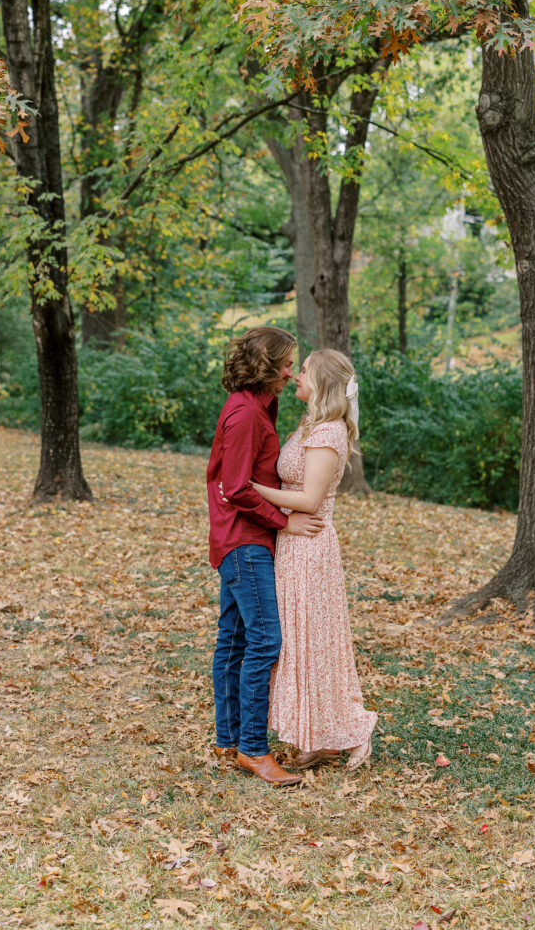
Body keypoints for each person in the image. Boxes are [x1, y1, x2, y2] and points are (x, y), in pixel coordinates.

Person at [207, 326, 324, 786]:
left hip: (241, 537)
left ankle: (231, 738)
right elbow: (234, 487)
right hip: (245, 541)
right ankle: (254, 750)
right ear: (267, 367)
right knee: (264, 643)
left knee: (233, 640)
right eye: (287, 365)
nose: (292, 373)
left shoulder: (259, 407)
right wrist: (285, 522)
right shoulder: (246, 416)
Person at [251, 349, 377, 772]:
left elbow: (309, 499)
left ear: (322, 381)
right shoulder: (310, 425)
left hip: (310, 547)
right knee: (300, 645)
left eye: (303, 370)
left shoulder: (329, 434)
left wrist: (252, 490)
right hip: (291, 543)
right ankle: (319, 738)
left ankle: (355, 731)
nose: (295, 375)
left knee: (314, 643)